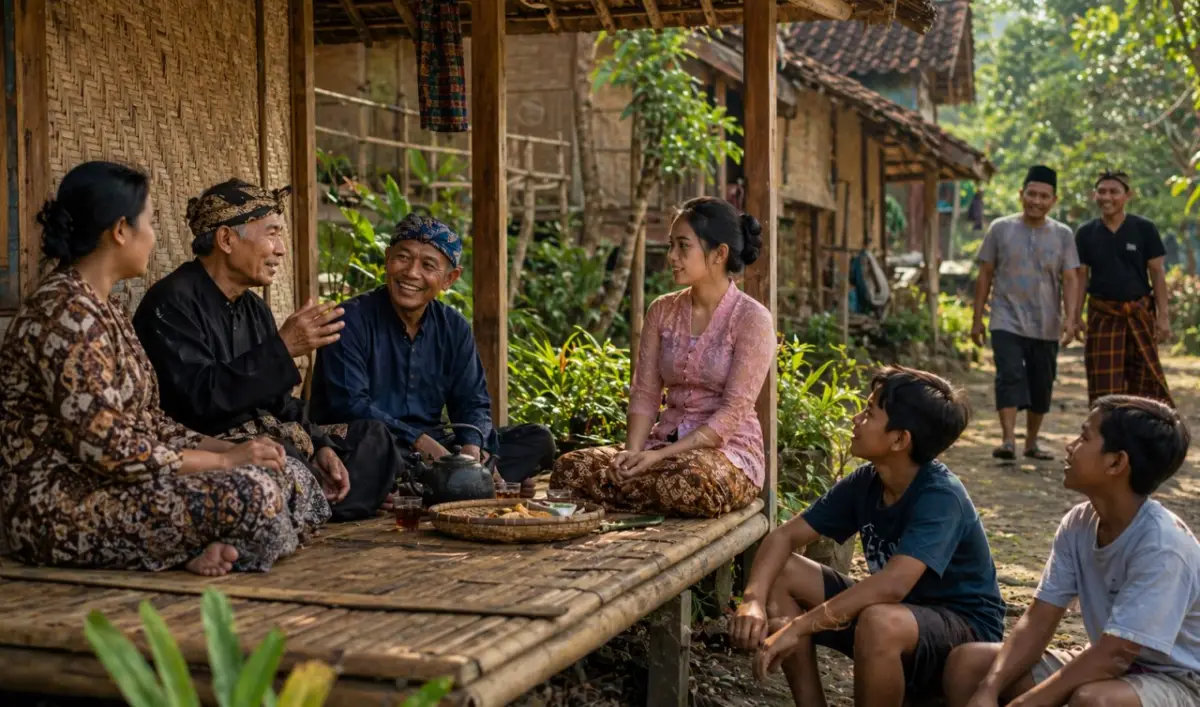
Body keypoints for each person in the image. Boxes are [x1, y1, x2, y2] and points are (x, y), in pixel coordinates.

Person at [0, 161, 331, 577]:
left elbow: (150, 422)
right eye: (150, 222)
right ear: (121, 230)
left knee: (285, 477)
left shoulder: (107, 310)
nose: (155, 237)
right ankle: (192, 546)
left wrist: (230, 451)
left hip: (119, 487)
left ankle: (180, 549)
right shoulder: (65, 313)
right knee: (255, 492)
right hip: (59, 504)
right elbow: (113, 452)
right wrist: (225, 464)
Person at [730, 367, 1006, 705]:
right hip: (901, 615)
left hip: (963, 634)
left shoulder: (941, 496)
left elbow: (893, 585)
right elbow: (784, 537)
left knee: (879, 621)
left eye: (869, 413)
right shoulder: (867, 481)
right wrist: (753, 601)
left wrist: (799, 627)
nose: (856, 418)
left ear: (899, 439)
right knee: (782, 572)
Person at [133, 179, 403, 522]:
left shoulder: (253, 308)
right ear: (227, 240)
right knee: (281, 457)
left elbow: (280, 401)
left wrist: (321, 446)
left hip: (272, 436)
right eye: (272, 234)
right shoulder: (171, 303)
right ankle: (316, 504)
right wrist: (284, 347)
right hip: (214, 445)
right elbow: (198, 400)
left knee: (373, 437)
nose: (281, 249)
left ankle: (311, 501)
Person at [943, 396, 1198, 707]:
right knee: (968, 665)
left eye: (1084, 437)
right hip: (1113, 667)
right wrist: (988, 689)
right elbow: (1039, 619)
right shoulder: (1079, 522)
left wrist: (1026, 703)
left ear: (1116, 462)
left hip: (1178, 680)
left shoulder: (1164, 547)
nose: (1069, 446)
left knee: (1094, 700)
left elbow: (1116, 654)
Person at [550, 197, 774, 518]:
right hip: (660, 453)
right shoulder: (662, 310)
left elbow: (730, 416)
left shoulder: (752, 319)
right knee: (570, 468)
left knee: (688, 482)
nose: (672, 257)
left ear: (719, 254)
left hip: (726, 456)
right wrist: (633, 455)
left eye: (683, 247)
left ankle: (623, 493)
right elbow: (645, 394)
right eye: (671, 246)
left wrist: (658, 459)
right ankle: (633, 487)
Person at [309, 214, 555, 482]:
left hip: (436, 447)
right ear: (387, 258)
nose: (412, 273)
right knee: (373, 455)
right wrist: (421, 442)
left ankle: (443, 480)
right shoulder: (349, 320)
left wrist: (474, 450)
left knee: (537, 439)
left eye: (428, 265)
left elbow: (472, 401)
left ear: (449, 279)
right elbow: (350, 406)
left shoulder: (454, 327)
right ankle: (443, 481)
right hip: (371, 443)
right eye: (403, 257)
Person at [971, 165, 1081, 461]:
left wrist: (1071, 319)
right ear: (1021, 194)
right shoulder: (1000, 228)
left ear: (1053, 200)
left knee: (1041, 382)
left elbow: (1071, 278)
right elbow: (985, 274)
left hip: (1046, 324)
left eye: (1044, 196)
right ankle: (1008, 440)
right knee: (1008, 375)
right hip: (1005, 318)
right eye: (1031, 194)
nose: (1036, 201)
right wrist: (976, 319)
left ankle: (1031, 442)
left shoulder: (1063, 235)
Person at [1074, 170, 1173, 406]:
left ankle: (1142, 438)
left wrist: (1163, 317)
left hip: (1139, 314)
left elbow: (1157, 273)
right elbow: (1080, 278)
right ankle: (1108, 439)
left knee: (1146, 383)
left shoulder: (1144, 228)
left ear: (1128, 195)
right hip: (1102, 316)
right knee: (1104, 388)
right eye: (1102, 191)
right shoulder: (1086, 233)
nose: (1107, 197)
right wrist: (1075, 316)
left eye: (1114, 192)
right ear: (1094, 195)